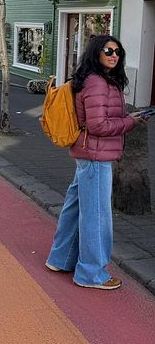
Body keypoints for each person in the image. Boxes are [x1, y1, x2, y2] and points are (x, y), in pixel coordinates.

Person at [45, 35, 146, 291]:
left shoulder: (95, 80)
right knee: (97, 217)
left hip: (88, 154)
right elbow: (98, 125)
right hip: (95, 156)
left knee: (75, 208)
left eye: (118, 51)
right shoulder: (98, 83)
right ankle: (91, 273)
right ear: (96, 53)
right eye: (108, 50)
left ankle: (61, 258)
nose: (114, 55)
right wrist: (130, 122)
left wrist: (126, 117)